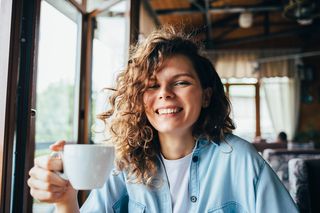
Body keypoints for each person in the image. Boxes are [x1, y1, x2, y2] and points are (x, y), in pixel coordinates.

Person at [28, 27, 298, 212]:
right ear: (138, 98)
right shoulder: (124, 166)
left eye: (180, 82)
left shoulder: (240, 159)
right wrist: (65, 200)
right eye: (152, 86)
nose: (165, 94)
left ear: (205, 96)